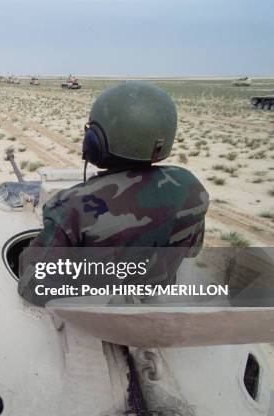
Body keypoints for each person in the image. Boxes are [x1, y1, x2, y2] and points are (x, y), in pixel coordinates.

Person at [18, 81, 209, 305]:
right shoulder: (191, 187)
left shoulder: (71, 207)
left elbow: (33, 285)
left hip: (93, 311)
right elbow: (192, 251)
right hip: (152, 298)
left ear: (94, 142)